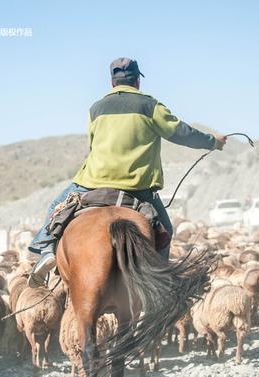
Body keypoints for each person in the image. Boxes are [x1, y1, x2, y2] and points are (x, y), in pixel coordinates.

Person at [27, 57, 226, 287]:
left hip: (92, 182)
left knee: (55, 207)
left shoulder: (95, 108)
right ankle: (160, 288)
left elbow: (93, 144)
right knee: (165, 231)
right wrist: (212, 142)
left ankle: (45, 252)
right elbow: (181, 132)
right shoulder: (150, 106)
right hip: (137, 188)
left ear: (112, 82)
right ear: (137, 81)